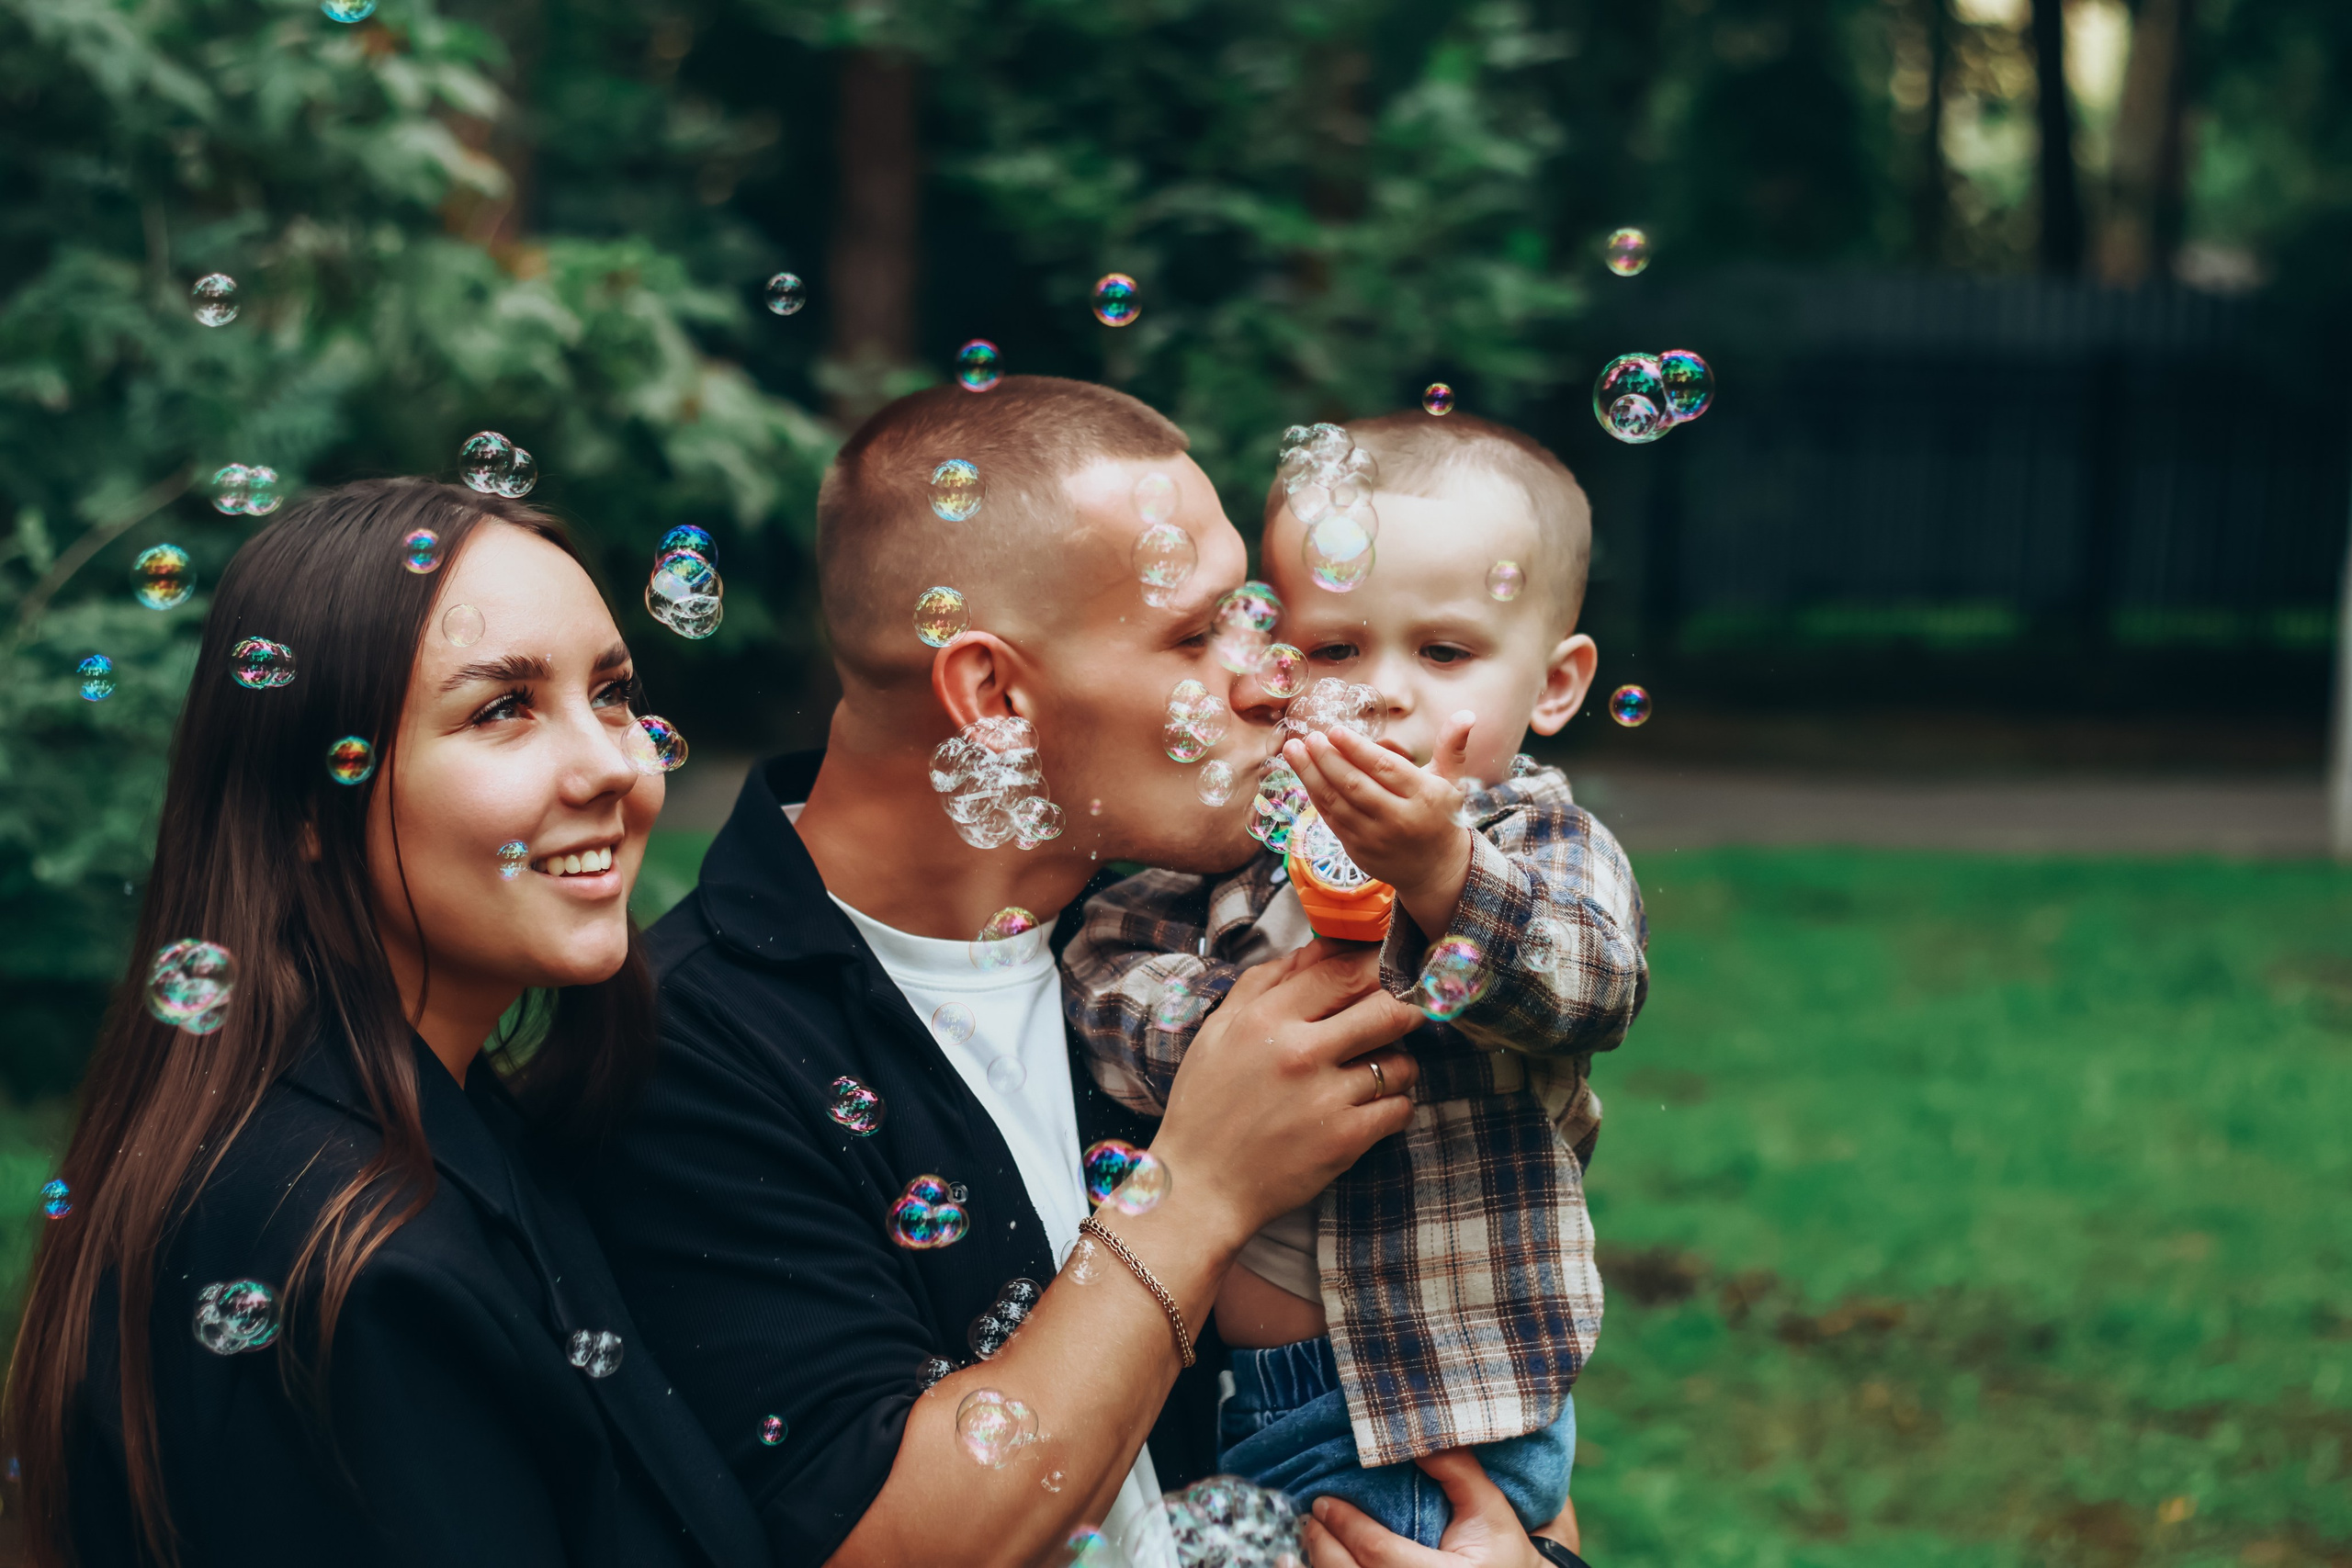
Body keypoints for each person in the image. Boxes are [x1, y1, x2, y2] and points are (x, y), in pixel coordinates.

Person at [577, 377, 1442, 1568]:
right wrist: (1198, 1187)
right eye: (1197, 634)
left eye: (1251, 614)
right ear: (992, 694)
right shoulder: (686, 1050)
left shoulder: (1185, 945)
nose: (1269, 674)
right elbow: (890, 1535)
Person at [6, 479, 764, 1568]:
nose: (613, 762)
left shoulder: (445, 1130)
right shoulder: (348, 1266)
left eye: (611, 692)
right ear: (315, 804)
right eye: (503, 707)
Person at [1063, 412, 1649, 1546]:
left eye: (1442, 653)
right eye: (1335, 650)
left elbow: (1594, 986)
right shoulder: (1249, 833)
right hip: (1262, 1394)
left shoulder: (1537, 841)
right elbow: (1099, 963)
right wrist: (1223, 1039)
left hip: (1439, 1401)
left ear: (1556, 682)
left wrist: (1444, 872)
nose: (1381, 694)